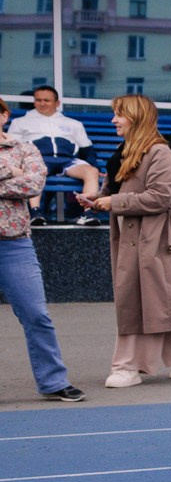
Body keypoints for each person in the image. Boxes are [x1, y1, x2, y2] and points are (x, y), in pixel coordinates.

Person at [78, 95, 171, 388]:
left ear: (137, 118)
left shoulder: (159, 152)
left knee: (142, 300)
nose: (114, 120)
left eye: (119, 115)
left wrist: (113, 201)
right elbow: (116, 186)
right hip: (133, 235)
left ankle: (128, 366)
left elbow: (162, 196)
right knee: (152, 301)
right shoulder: (125, 149)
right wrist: (96, 198)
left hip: (155, 238)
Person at [0, 94, 79, 399]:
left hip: (15, 245)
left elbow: (34, 184)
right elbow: (22, 182)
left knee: (37, 315)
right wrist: (11, 173)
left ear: (5, 116)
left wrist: (20, 176)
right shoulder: (16, 159)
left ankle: (54, 382)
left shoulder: (24, 148)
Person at [13, 85, 99, 222]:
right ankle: (35, 213)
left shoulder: (73, 124)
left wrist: (94, 166)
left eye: (46, 100)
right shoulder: (20, 122)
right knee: (34, 170)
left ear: (57, 103)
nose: (42, 103)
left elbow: (86, 148)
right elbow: (14, 147)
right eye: (38, 100)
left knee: (92, 172)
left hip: (68, 160)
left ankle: (88, 213)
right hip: (39, 160)